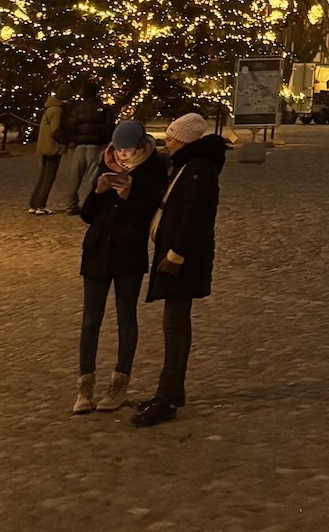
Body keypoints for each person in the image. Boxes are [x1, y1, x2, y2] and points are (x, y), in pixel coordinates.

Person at [133, 112, 228, 428]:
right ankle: (174, 390)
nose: (166, 141)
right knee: (176, 324)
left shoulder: (198, 169)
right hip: (179, 254)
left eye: (171, 136)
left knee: (174, 327)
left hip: (183, 259)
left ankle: (167, 397)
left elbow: (196, 217)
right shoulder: (188, 165)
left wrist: (176, 254)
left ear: (185, 139)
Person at [73, 118, 167, 414]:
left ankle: (119, 382)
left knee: (126, 318)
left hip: (128, 253)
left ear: (141, 147)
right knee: (91, 320)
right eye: (120, 150)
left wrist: (129, 197)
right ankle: (84, 385)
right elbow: (87, 215)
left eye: (128, 150)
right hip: (98, 251)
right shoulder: (105, 163)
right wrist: (98, 192)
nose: (123, 155)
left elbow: (149, 216)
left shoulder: (154, 170)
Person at [58, 80, 110, 215]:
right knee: (91, 176)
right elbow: (108, 127)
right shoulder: (102, 108)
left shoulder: (77, 108)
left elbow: (70, 126)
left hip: (80, 145)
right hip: (95, 145)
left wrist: (73, 139)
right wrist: (104, 139)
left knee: (75, 176)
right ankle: (88, 204)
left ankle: (71, 204)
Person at [28, 89, 67, 214]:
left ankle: (34, 203)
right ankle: (40, 205)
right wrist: (65, 140)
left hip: (45, 145)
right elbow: (55, 130)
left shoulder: (50, 108)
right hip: (53, 147)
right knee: (49, 177)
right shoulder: (57, 110)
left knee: (43, 175)